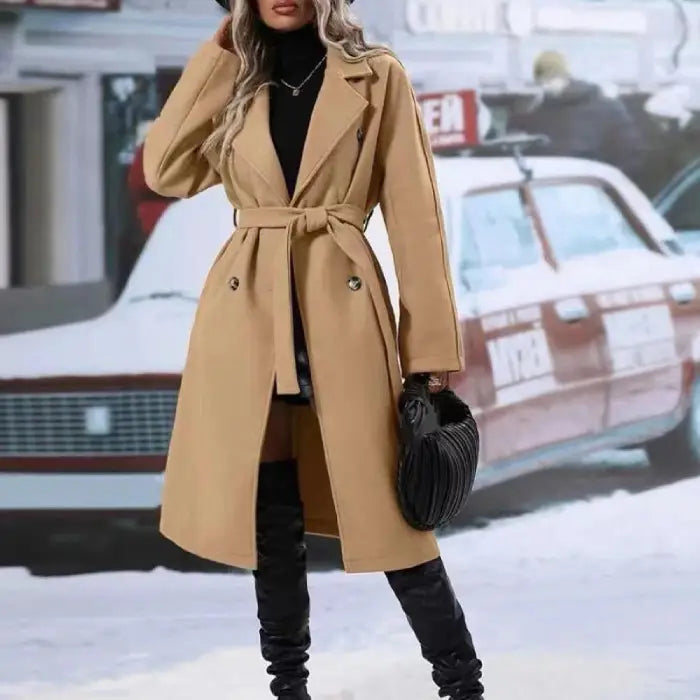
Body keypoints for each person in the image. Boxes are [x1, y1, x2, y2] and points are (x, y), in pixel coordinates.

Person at [142, 1, 484, 699]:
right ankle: (289, 687)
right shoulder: (237, 79)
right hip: (247, 313)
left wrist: (429, 349)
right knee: (270, 512)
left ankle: (461, 684)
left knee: (393, 512)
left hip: (343, 307)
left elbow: (417, 217)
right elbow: (166, 170)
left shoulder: (375, 75)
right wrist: (218, 52)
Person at [509, 50, 646, 180]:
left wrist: (606, 185)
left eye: (549, 78)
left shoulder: (605, 108)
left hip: (591, 191)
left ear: (564, 76)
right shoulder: (540, 112)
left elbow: (630, 155)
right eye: (541, 81)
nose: (545, 85)